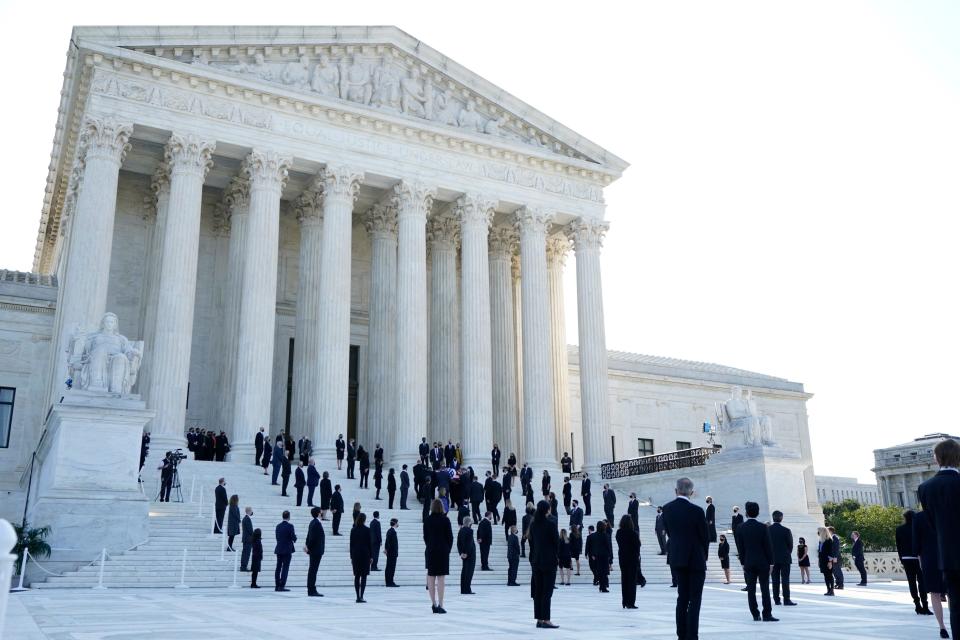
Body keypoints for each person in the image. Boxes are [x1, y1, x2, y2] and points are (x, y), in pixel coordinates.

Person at [919, 438, 960, 640]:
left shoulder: (925, 488)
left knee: (957, 609)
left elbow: (932, 524)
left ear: (937, 459)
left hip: (948, 558)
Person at [662, 477, 708, 640]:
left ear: (676, 491)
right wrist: (704, 557)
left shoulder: (666, 509)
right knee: (695, 599)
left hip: (677, 558)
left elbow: (668, 532)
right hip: (696, 559)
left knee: (682, 597)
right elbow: (704, 537)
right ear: (692, 493)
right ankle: (692, 635)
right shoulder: (697, 511)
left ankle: (681, 634)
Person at [914, 508, 950, 638]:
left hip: (929, 558)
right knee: (953, 593)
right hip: (949, 555)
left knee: (935, 594)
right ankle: (955, 623)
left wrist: (921, 562)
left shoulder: (919, 517)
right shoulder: (947, 511)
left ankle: (942, 627)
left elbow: (916, 544)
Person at [738, 501, 777, 621]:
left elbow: (741, 547)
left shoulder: (740, 527)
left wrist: (743, 562)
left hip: (749, 562)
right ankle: (767, 614)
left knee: (751, 590)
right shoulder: (763, 527)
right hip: (763, 562)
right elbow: (768, 546)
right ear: (758, 512)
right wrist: (771, 562)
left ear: (746, 513)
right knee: (765, 589)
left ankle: (755, 614)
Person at [528, 500, 560, 628]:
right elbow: (556, 542)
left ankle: (539, 619)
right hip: (549, 561)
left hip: (536, 561)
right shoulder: (550, 524)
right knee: (547, 591)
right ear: (547, 510)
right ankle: (546, 619)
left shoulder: (533, 524)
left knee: (538, 591)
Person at [897, 509, 931, 614]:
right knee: (922, 583)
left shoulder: (899, 529)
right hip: (918, 558)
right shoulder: (917, 528)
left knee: (911, 583)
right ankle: (925, 606)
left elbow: (898, 546)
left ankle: (917, 605)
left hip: (906, 559)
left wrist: (901, 559)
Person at [423, 498, 453, 614]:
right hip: (442, 551)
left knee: (431, 577)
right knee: (441, 578)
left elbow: (425, 536)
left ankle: (433, 604)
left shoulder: (427, 520)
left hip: (430, 550)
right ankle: (441, 604)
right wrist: (447, 549)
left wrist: (430, 546)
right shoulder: (445, 520)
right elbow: (450, 537)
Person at [768, 510, 796, 606]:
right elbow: (790, 545)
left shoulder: (768, 530)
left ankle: (776, 600)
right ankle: (786, 600)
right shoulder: (786, 530)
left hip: (772, 559)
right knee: (785, 579)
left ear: (773, 517)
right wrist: (786, 553)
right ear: (781, 518)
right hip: (785, 558)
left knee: (775, 580)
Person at [615, 515, 640, 608]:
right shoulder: (633, 533)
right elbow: (637, 546)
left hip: (622, 558)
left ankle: (624, 601)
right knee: (632, 581)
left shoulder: (618, 532)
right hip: (632, 559)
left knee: (624, 580)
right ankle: (631, 602)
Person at [350, 512, 372, 603]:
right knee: (364, 576)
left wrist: (351, 556)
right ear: (364, 520)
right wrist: (371, 556)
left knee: (357, 576)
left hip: (356, 555)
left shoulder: (353, 530)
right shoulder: (367, 530)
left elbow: (351, 544)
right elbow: (370, 544)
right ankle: (361, 595)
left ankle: (357, 596)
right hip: (365, 555)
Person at [305, 506, 325, 597]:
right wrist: (308, 547)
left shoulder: (313, 522)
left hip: (314, 550)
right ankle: (311, 589)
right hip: (316, 551)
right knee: (313, 571)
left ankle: (311, 588)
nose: (322, 513)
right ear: (318, 513)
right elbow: (312, 538)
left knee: (312, 570)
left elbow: (308, 536)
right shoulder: (316, 523)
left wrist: (307, 546)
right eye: (321, 512)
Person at [274, 510, 296, 592]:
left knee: (278, 567)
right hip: (287, 549)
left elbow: (277, 537)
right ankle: (282, 586)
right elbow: (293, 537)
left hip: (279, 548)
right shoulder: (290, 526)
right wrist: (295, 538)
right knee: (285, 568)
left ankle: (277, 585)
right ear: (289, 517)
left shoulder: (278, 526)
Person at [587, 520, 611, 592]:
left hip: (597, 556)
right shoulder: (605, 535)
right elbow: (608, 546)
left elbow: (593, 546)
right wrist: (610, 555)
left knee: (599, 571)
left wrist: (593, 554)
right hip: (604, 556)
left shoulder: (593, 535)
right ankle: (603, 587)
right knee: (604, 572)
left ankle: (601, 586)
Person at [458, 517, 477, 594]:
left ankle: (463, 589)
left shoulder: (461, 530)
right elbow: (469, 543)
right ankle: (467, 589)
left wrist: (461, 553)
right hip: (470, 554)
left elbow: (458, 543)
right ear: (469, 523)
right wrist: (466, 553)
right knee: (469, 572)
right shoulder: (470, 531)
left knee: (464, 571)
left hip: (463, 554)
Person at [817, 526, 836, 596]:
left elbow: (830, 552)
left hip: (828, 560)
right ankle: (828, 589)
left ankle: (832, 590)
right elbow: (820, 551)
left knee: (830, 575)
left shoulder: (829, 540)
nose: (818, 533)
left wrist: (830, 562)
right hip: (822, 560)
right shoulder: (821, 541)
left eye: (819, 531)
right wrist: (819, 560)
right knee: (825, 575)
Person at [384, 518, 400, 587]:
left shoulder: (389, 531)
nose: (398, 524)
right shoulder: (392, 532)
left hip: (390, 553)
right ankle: (390, 582)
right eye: (397, 523)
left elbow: (387, 542)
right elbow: (392, 543)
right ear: (395, 523)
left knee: (389, 567)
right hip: (392, 553)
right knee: (391, 567)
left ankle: (388, 581)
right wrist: (388, 550)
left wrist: (386, 549)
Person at [240, 506, 254, 571]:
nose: (252, 512)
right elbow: (250, 530)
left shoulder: (245, 519)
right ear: (249, 511)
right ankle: (243, 567)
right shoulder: (247, 519)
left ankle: (243, 566)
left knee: (245, 553)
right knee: (246, 553)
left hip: (246, 539)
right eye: (251, 511)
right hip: (248, 539)